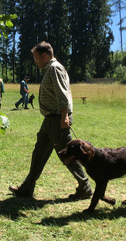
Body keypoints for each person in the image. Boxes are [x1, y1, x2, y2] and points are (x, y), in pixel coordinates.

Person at [9, 41, 92, 200]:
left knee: (66, 154)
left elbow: (63, 94)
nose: (35, 61)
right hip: (50, 119)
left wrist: (64, 116)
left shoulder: (54, 68)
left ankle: (85, 187)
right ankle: (27, 187)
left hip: (58, 119)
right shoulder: (50, 69)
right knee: (39, 152)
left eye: (36, 58)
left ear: (45, 55)